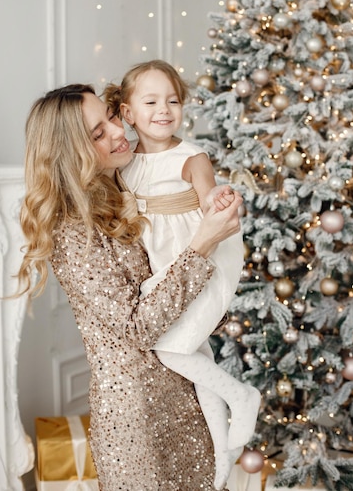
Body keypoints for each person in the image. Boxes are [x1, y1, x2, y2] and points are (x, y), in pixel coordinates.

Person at [17, 83, 244, 491]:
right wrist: (204, 242)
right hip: (138, 419)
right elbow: (139, 327)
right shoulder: (71, 232)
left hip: (188, 392)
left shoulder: (128, 191)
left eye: (110, 117)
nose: (119, 131)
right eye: (98, 133)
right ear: (71, 153)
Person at [105, 60, 261, 490]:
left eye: (173, 100)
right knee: (200, 357)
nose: (164, 109)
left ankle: (242, 396)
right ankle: (220, 463)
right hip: (167, 271)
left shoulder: (190, 156)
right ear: (126, 113)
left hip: (204, 257)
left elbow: (206, 186)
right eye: (151, 101)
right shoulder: (123, 164)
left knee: (171, 351)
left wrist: (217, 198)